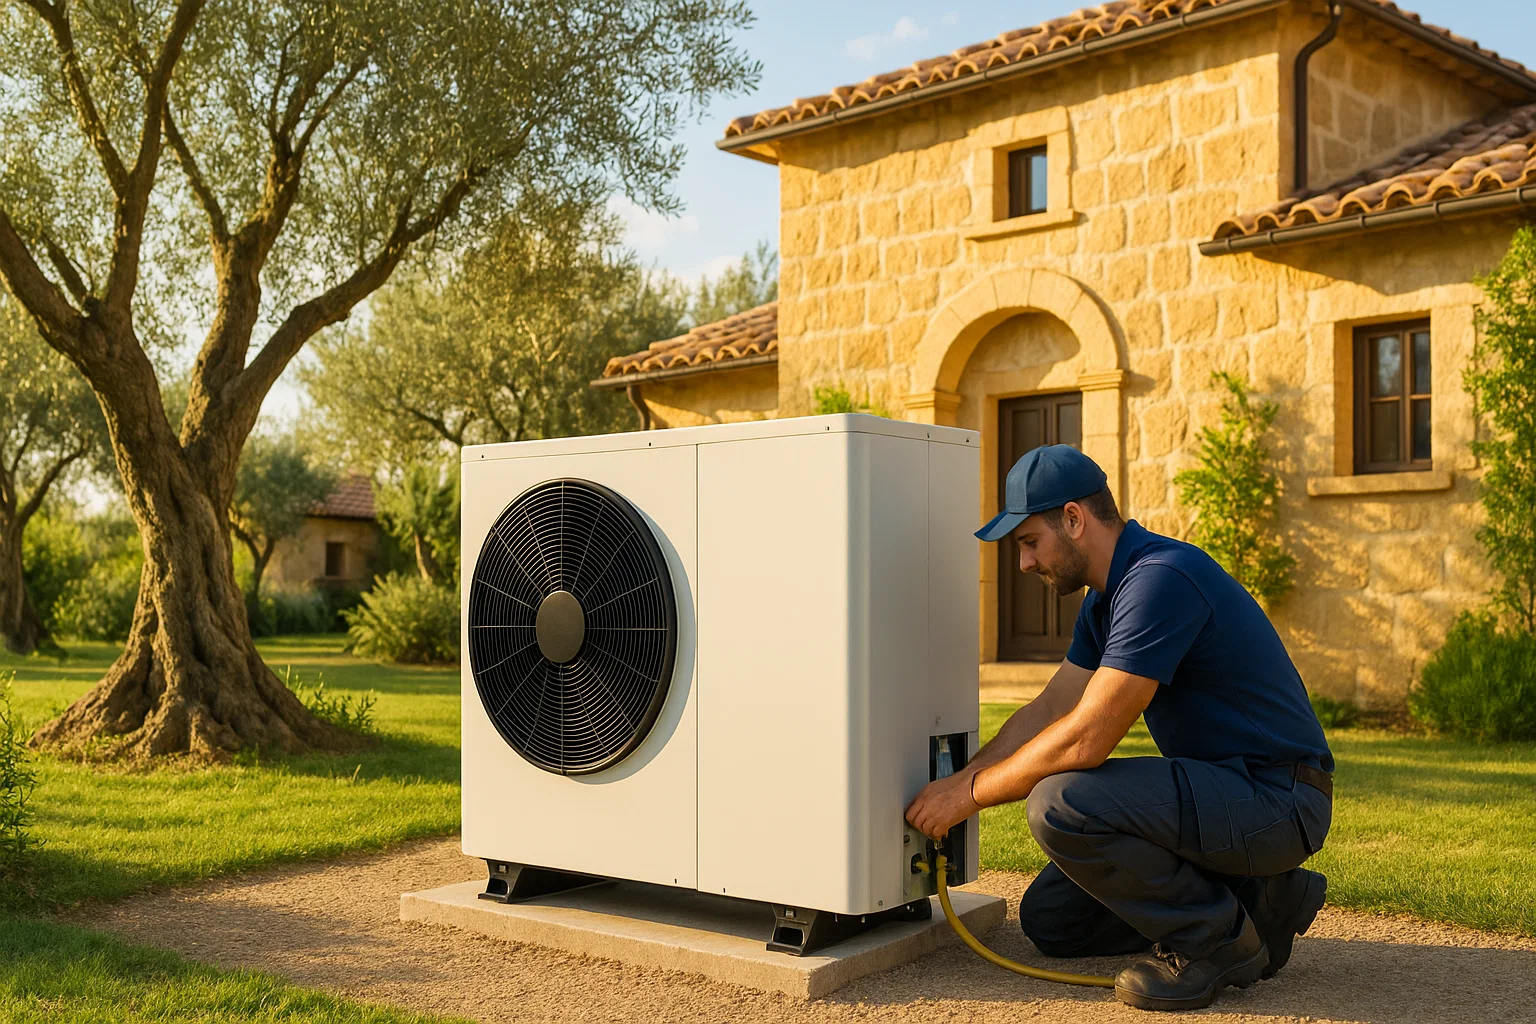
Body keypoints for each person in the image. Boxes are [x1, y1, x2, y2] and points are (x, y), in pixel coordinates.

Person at [905, 445, 1332, 1012]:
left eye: (1029, 542)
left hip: (1278, 800)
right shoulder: (1106, 601)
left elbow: (1087, 737)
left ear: (1074, 519)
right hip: (1225, 794)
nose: (1025, 563)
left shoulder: (1162, 579)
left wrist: (971, 796)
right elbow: (1053, 707)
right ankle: (1259, 899)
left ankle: (1216, 942)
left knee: (1061, 803)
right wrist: (964, 776)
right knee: (1053, 921)